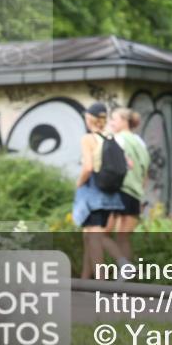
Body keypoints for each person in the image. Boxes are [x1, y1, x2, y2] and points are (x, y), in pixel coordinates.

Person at [72, 102, 127, 279]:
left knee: (94, 238)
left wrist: (78, 183)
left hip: (92, 193)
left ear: (90, 119)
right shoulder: (111, 138)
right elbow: (128, 164)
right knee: (89, 237)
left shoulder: (88, 139)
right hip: (109, 193)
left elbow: (88, 167)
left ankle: (102, 283)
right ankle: (84, 280)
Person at [109, 107, 150, 261]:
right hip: (136, 193)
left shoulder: (118, 140)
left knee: (101, 234)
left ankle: (122, 264)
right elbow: (145, 172)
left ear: (125, 121)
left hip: (120, 191)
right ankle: (127, 276)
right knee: (123, 237)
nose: (111, 122)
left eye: (114, 119)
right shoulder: (140, 142)